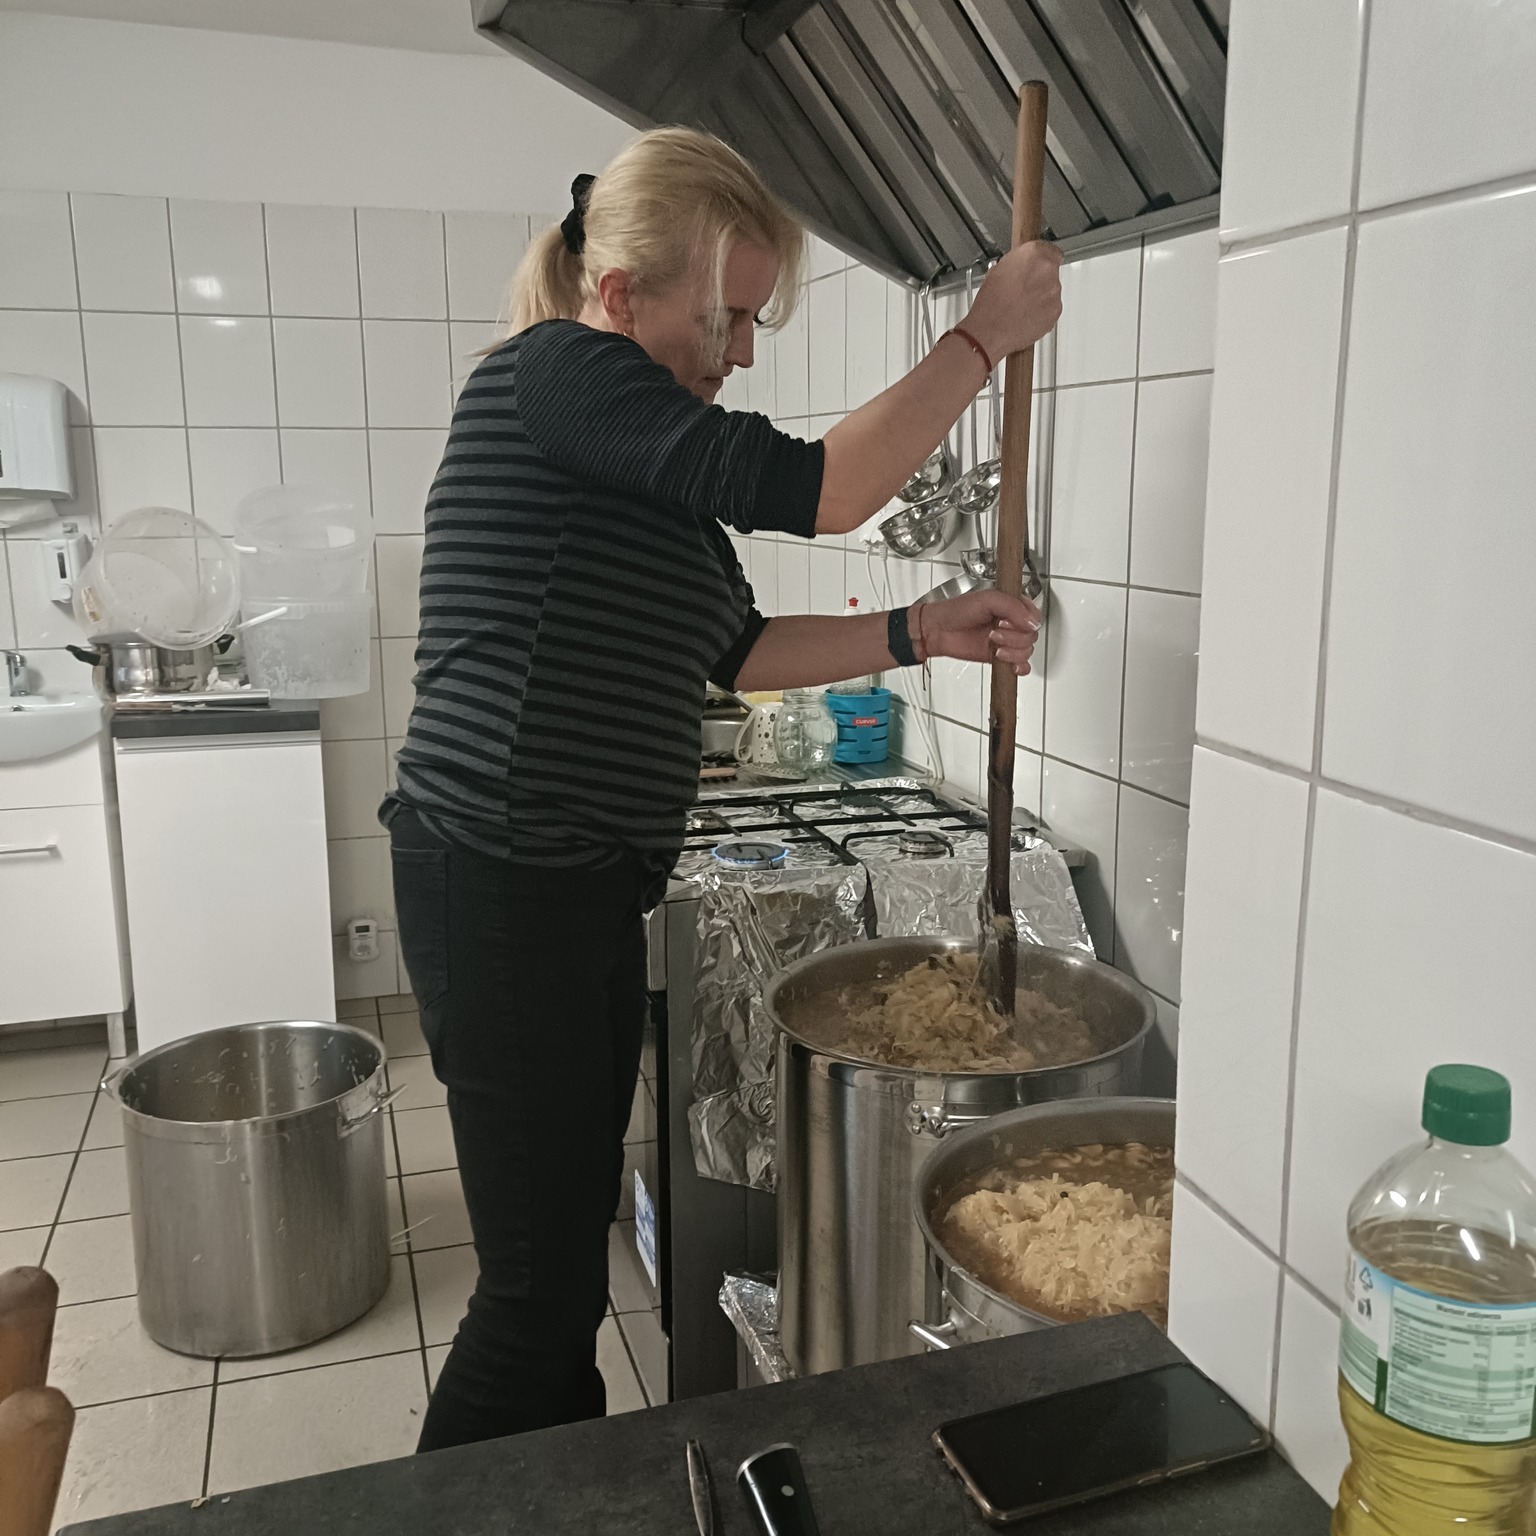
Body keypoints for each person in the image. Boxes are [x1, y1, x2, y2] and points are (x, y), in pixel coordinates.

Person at [382, 126, 1062, 1452]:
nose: (743, 351)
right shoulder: (557, 375)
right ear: (620, 295)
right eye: (729, 317)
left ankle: (567, 1497)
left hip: (556, 887)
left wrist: (921, 630)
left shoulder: (637, 458)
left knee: (557, 1286)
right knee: (532, 1303)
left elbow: (736, 652)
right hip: (505, 877)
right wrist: (983, 336)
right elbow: (828, 490)